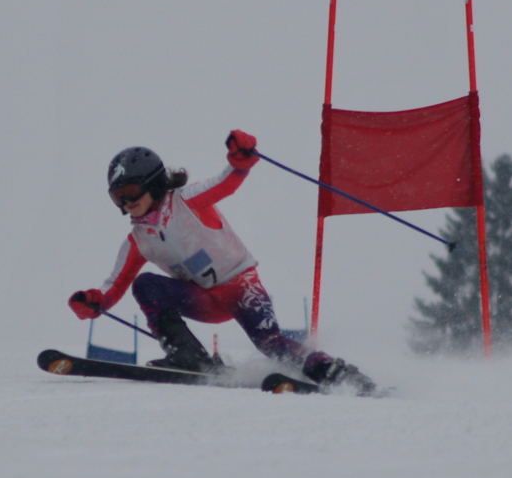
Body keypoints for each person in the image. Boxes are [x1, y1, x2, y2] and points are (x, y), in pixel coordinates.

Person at [69, 131, 374, 393]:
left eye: (132, 191)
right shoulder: (138, 240)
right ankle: (189, 357)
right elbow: (115, 284)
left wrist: (240, 162)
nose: (127, 202)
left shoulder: (186, 201)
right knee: (145, 284)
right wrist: (95, 301)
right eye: (118, 197)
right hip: (203, 299)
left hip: (240, 286)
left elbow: (225, 182)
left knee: (269, 342)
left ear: (153, 183)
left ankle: (334, 373)